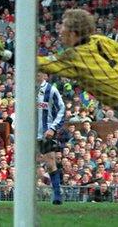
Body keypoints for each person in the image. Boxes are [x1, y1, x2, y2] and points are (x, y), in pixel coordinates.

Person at [0, 8, 118, 195]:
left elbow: (41, 63)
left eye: (63, 26)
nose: (59, 30)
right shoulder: (99, 40)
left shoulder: (73, 56)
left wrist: (5, 55)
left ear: (73, 33)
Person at [36, 72, 65, 204]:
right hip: (29, 134)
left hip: (45, 132)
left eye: (39, 72)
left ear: (45, 76)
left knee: (51, 162)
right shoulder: (26, 89)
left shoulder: (51, 90)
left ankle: (57, 195)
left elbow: (62, 108)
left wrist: (53, 128)